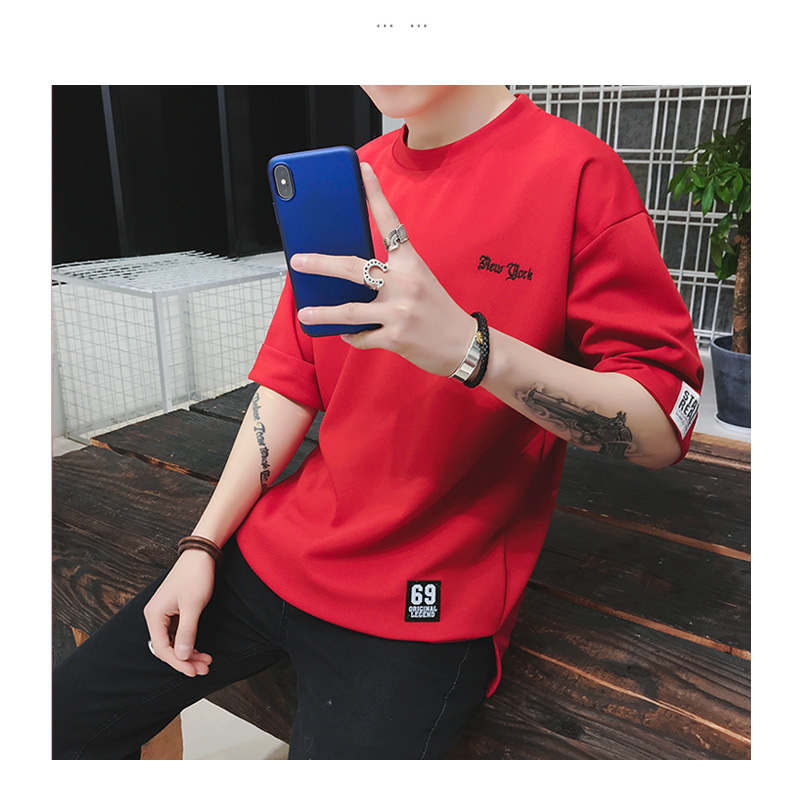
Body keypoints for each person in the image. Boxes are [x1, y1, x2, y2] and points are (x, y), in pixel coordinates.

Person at [52, 85, 704, 760]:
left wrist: (473, 351)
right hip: (274, 553)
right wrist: (202, 545)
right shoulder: (353, 178)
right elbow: (290, 382)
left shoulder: (576, 172)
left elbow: (662, 427)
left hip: (424, 603)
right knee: (55, 729)